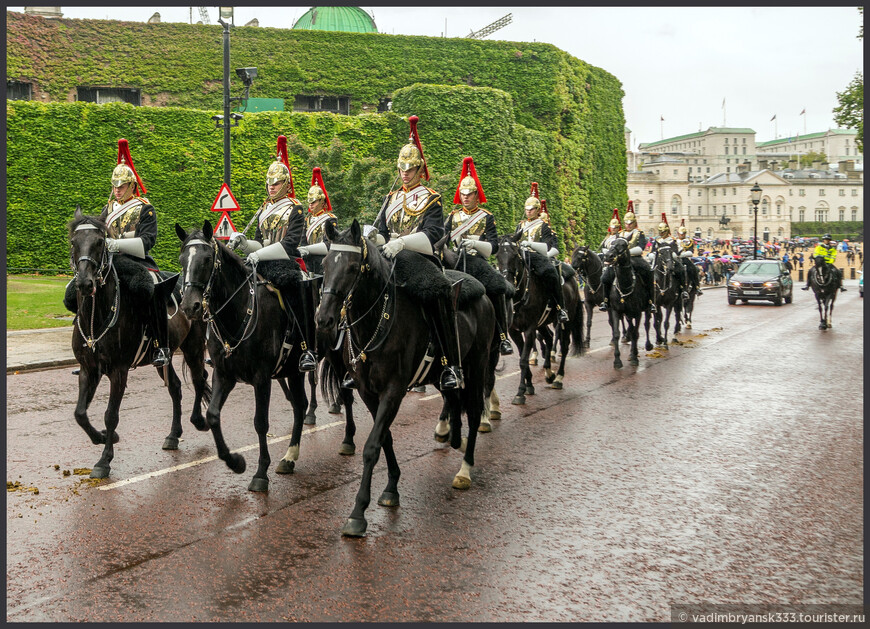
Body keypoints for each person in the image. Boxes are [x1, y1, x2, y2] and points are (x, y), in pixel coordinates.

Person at [371, 115, 464, 390]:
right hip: (390, 257)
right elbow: (382, 230)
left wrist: (402, 243)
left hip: (420, 259)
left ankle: (450, 364)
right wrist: (373, 235)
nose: (405, 173)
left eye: (410, 168)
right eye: (402, 168)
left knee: (438, 294)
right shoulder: (391, 198)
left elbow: (435, 235)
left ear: (420, 169)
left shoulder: (431, 197)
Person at [228, 135, 317, 371]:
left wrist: (260, 253)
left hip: (285, 263)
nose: (271, 186)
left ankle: (308, 348)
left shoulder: (295, 208)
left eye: (276, 183)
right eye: (269, 182)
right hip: (262, 262)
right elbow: (259, 242)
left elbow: (289, 245)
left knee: (295, 292)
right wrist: (244, 243)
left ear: (286, 183)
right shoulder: (265, 209)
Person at [103, 138, 176, 367]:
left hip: (137, 262)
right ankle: (90, 344)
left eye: (121, 186)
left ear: (131, 185)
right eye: (114, 186)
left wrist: (117, 244)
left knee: (151, 288)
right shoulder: (108, 208)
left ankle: (161, 346)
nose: (117, 190)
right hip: (110, 262)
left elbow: (147, 242)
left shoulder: (145, 207)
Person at [445, 156, 513, 355]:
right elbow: (442, 238)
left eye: (469, 194)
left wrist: (474, 243)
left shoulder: (486, 217)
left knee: (498, 286)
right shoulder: (453, 216)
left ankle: (502, 337)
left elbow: (493, 247)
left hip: (477, 261)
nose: (465, 197)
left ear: (476, 195)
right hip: (455, 260)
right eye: (463, 194)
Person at [513, 182, 570, 323]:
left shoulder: (543, 226)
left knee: (551, 274)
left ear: (537, 210)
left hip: (537, 258)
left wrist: (530, 244)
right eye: (527, 209)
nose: (528, 212)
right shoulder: (520, 225)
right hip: (522, 256)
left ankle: (560, 307)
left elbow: (545, 247)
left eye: (531, 209)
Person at [297, 167, 337, 276]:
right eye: (310, 201)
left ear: (322, 201)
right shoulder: (307, 219)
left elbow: (330, 244)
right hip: (308, 263)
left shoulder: (330, 219)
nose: (311, 204)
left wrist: (307, 249)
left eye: (314, 201)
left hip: (323, 262)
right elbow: (303, 242)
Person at [647, 213, 688, 299]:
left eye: (663, 232)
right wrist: (652, 254)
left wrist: (672, 255)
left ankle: (684, 290)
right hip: (659, 260)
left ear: (667, 231)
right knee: (649, 272)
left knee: (680, 269)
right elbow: (653, 250)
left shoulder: (672, 240)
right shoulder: (657, 240)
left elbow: (676, 251)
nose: (661, 233)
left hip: (670, 260)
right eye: (660, 232)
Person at [597, 207, 621, 311]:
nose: (613, 229)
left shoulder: (619, 237)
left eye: (615, 227)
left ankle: (606, 300)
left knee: (605, 278)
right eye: (612, 227)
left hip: (615, 262)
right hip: (605, 261)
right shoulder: (606, 238)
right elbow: (602, 247)